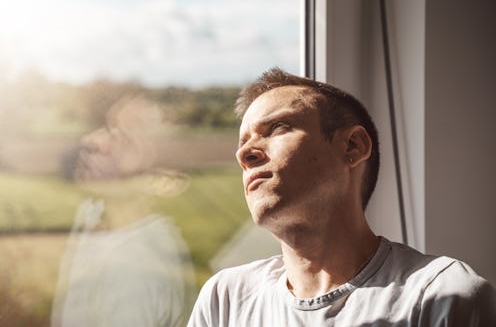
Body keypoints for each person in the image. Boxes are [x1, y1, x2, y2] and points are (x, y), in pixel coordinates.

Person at [187, 68, 496, 326]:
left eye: (278, 127)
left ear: (353, 147)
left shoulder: (439, 298)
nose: (244, 153)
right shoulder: (225, 300)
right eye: (242, 142)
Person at [51, 96, 195, 327]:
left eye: (120, 139)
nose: (91, 140)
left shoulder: (137, 269)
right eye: (105, 130)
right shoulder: (96, 213)